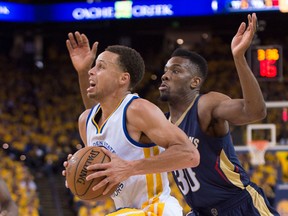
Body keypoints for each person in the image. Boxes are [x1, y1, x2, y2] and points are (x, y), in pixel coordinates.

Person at [70, 13, 280, 215]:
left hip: (239, 205)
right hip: (200, 212)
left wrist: (239, 58)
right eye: (166, 70)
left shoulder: (206, 106)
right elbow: (106, 121)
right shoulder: (163, 123)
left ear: (195, 82)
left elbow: (255, 111)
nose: (166, 75)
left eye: (176, 70)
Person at [64, 35, 200, 216]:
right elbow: (107, 190)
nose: (92, 71)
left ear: (123, 79)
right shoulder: (86, 121)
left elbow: (190, 155)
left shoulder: (138, 110)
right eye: (93, 66)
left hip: (156, 208)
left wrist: (129, 168)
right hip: (127, 211)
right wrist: (81, 177)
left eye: (101, 66)